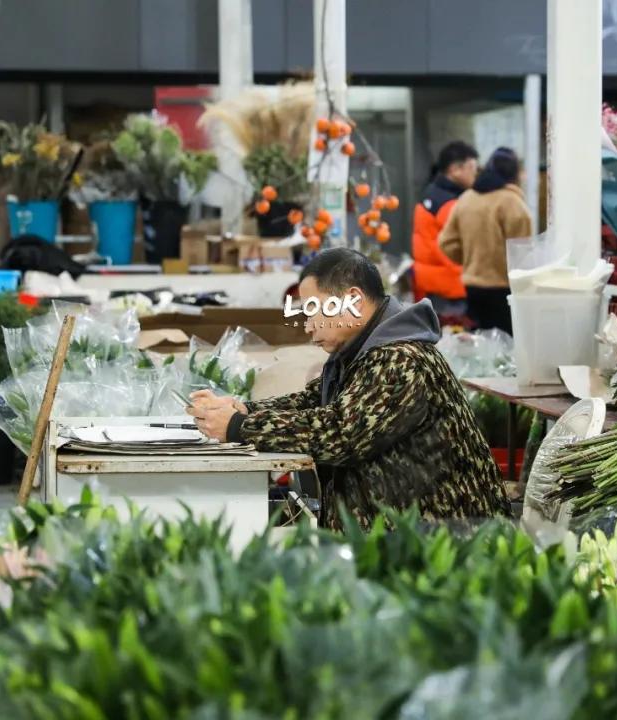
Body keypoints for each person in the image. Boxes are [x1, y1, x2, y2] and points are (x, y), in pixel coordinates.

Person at [187, 248, 509, 530]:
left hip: (444, 542)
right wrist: (245, 409)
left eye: (314, 310)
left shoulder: (400, 359)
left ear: (353, 299)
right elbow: (312, 401)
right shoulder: (358, 354)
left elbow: (342, 433)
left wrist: (238, 426)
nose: (309, 326)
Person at [439, 147, 532, 334]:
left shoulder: (466, 199)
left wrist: (469, 259)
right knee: (506, 346)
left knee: (480, 342)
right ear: (514, 174)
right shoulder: (512, 203)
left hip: (472, 287)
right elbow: (522, 253)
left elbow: (446, 242)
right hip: (504, 288)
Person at [411, 141, 479, 314]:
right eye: (471, 167)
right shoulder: (450, 204)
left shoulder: (431, 193)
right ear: (455, 170)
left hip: (431, 284)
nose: (475, 173)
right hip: (451, 288)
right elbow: (464, 244)